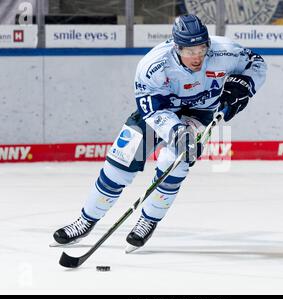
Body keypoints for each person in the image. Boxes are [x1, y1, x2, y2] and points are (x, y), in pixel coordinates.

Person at [53, 14, 267, 253]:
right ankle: (86, 220)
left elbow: (256, 63)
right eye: (189, 50)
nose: (197, 56)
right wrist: (176, 131)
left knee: (174, 162)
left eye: (201, 48)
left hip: (200, 114)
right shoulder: (153, 65)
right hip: (162, 113)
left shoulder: (225, 51)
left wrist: (243, 86)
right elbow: (153, 110)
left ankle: (148, 220)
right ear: (176, 47)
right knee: (121, 159)